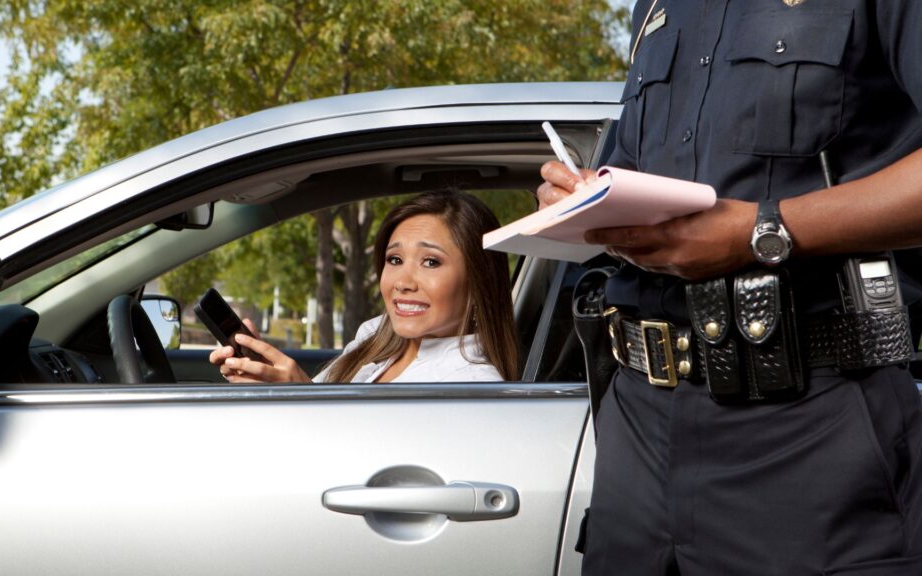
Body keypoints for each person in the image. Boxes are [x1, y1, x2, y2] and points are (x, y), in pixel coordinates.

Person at [538, 2, 922, 575]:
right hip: (638, 429)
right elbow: (632, 170)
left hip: (812, 425)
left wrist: (762, 231)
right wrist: (581, 198)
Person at [209, 191, 519, 383]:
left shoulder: (473, 388)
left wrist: (302, 400)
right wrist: (268, 379)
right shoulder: (373, 337)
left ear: (479, 280)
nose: (403, 283)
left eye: (431, 262)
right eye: (395, 259)